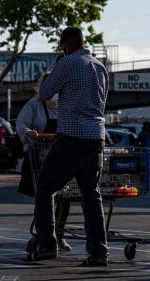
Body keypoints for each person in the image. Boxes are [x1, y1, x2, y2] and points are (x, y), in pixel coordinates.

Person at [33, 27, 109, 267]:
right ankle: (99, 251)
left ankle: (47, 245)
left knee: (45, 188)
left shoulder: (67, 63)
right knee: (91, 194)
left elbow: (44, 92)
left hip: (72, 136)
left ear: (66, 44)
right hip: (96, 136)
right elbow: (101, 102)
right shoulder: (100, 67)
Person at [16, 72, 71, 251]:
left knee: (65, 199)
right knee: (44, 199)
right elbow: (21, 123)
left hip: (62, 159)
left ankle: (59, 234)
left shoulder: (66, 107)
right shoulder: (34, 105)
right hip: (39, 160)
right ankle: (44, 234)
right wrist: (28, 133)